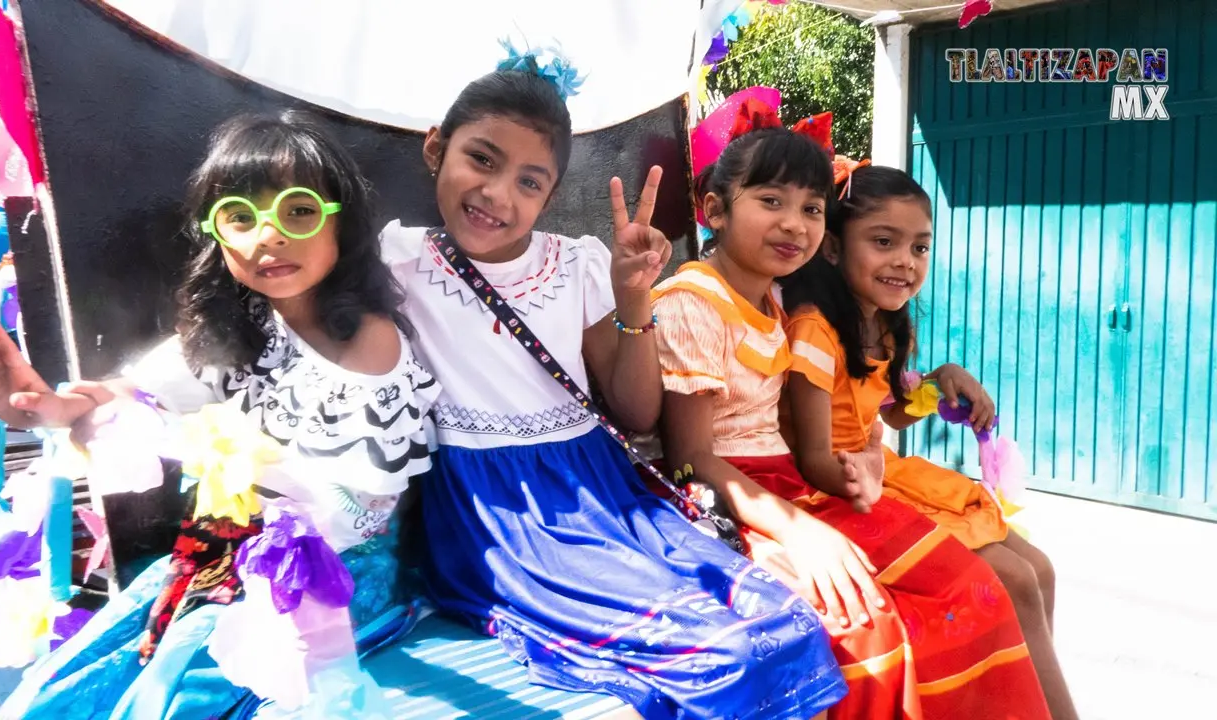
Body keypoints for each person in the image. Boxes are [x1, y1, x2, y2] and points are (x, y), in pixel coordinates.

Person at [381, 46, 846, 719]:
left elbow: (635, 413)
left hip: (600, 487)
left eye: (529, 182)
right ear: (436, 149)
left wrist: (634, 303)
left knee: (780, 624)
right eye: (481, 159)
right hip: (500, 515)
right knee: (708, 654)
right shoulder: (396, 261)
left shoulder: (576, 265)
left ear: (552, 194)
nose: (497, 194)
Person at [0, 111, 437, 719]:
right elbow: (134, 391)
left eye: (299, 209)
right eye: (240, 216)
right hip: (225, 554)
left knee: (171, 695)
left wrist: (202, 455)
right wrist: (52, 407)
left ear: (343, 224)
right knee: (66, 688)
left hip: (334, 579)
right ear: (216, 234)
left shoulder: (369, 340)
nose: (269, 235)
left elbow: (358, 508)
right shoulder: (234, 326)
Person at [651, 104, 1057, 719]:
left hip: (803, 481)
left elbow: (882, 410)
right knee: (919, 612)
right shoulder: (714, 306)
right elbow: (697, 457)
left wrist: (928, 390)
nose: (794, 224)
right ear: (713, 209)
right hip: (768, 489)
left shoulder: (783, 307)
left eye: (811, 208)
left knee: (999, 583)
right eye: (771, 201)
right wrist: (820, 508)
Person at [780, 163, 1077, 719]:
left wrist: (942, 379)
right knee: (1010, 577)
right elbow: (817, 453)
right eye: (884, 242)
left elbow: (887, 413)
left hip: (880, 472)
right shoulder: (814, 327)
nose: (905, 262)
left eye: (919, 248)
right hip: (836, 486)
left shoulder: (887, 325)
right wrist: (865, 476)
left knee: (1038, 568)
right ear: (834, 248)